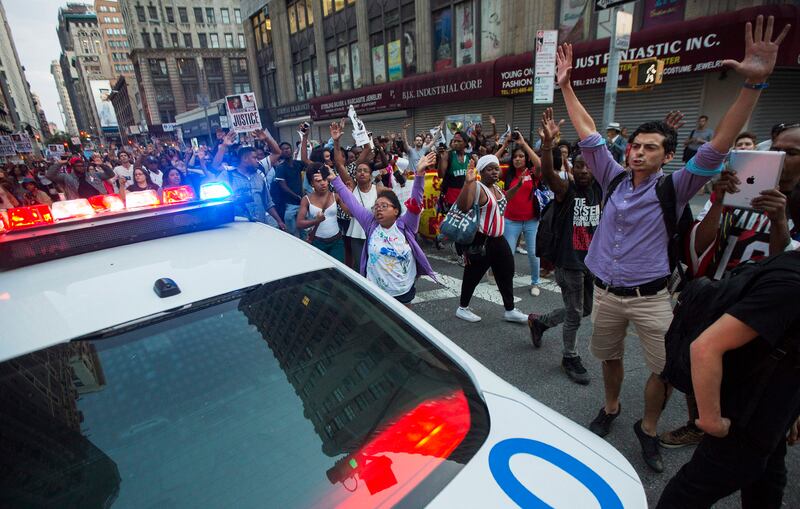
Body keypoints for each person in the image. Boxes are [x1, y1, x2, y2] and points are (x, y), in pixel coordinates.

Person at [555, 12, 784, 473]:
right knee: (610, 358)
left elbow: (718, 145)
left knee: (665, 368)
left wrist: (753, 85)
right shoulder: (612, 177)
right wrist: (565, 86)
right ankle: (614, 407)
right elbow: (587, 132)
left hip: (653, 298)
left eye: (650, 147)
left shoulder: (675, 187)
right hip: (605, 294)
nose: (638, 152)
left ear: (666, 155)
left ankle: (650, 428)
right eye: (636, 145)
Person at [661, 122, 800, 450]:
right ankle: (700, 423)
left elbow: (788, 272)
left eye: (791, 153)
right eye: (776, 148)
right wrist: (720, 202)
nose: (780, 158)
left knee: (751, 391)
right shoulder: (745, 188)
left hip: (764, 316)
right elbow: (697, 251)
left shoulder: (791, 209)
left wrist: (780, 220)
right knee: (700, 369)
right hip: (719, 298)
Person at [656, 248, 800, 508]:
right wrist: (711, 420)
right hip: (747, 418)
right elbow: (705, 347)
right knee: (693, 490)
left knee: (769, 481)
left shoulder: (789, 261)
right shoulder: (791, 285)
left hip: (771, 412)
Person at [528, 108, 602, 385]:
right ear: (572, 167)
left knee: (582, 310)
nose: (583, 170)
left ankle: (541, 322)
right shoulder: (566, 190)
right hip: (568, 262)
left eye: (589, 165)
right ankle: (569, 356)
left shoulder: (600, 189)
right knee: (575, 313)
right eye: (579, 165)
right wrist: (547, 146)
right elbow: (547, 173)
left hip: (591, 263)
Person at [331, 124, 437, 305]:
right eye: (376, 206)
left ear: (396, 211)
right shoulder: (370, 223)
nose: (378, 208)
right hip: (377, 291)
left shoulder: (406, 225)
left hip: (403, 288)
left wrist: (419, 174)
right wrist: (334, 179)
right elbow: (351, 201)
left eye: (384, 206)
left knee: (405, 325)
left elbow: (416, 203)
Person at [454, 155, 530, 324]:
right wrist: (468, 182)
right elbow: (463, 206)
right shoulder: (478, 187)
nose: (494, 171)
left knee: (506, 272)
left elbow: (503, 200)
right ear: (481, 171)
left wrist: (518, 185)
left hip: (498, 239)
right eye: (489, 169)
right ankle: (462, 308)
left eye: (496, 168)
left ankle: (510, 310)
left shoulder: (495, 188)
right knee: (473, 275)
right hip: (482, 240)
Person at [495, 130, 544, 296]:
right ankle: (505, 282)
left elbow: (539, 164)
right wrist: (506, 144)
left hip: (531, 221)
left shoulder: (532, 173)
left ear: (526, 158)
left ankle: (535, 282)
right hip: (511, 221)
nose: (517, 159)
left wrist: (524, 144)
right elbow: (491, 163)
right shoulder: (507, 174)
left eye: (521, 156)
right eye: (515, 156)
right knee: (507, 254)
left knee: (533, 253)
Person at [297, 166, 345, 262]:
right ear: (312, 183)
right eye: (318, 181)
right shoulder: (306, 199)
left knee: (337, 272)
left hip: (336, 242)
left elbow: (350, 213)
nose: (322, 183)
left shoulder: (336, 196)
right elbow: (299, 223)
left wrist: (346, 193)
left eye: (324, 179)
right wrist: (316, 221)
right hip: (318, 243)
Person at [46, 156, 116, 200]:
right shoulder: (67, 177)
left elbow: (111, 174)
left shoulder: (94, 175)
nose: (81, 168)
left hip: (99, 201)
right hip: (80, 206)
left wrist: (102, 165)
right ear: (73, 167)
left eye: (83, 166)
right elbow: (49, 175)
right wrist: (59, 164)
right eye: (78, 166)